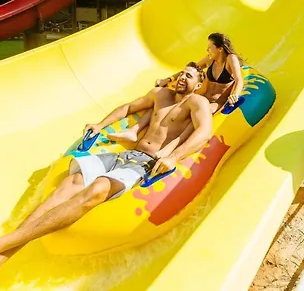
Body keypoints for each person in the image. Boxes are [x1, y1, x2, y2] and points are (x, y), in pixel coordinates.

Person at [0, 62, 212, 265]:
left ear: (198, 84)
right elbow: (128, 107)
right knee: (69, 184)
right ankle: (5, 253)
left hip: (146, 163)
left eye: (189, 76)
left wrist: (174, 157)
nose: (182, 77)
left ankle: (6, 242)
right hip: (126, 155)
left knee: (98, 188)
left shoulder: (196, 103)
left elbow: (204, 132)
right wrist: (101, 125)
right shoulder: (161, 94)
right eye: (181, 73)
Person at [108, 33, 244, 144]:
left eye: (210, 47)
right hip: (200, 95)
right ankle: (134, 130)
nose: (207, 50)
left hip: (215, 102)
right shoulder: (210, 59)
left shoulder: (230, 59)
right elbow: (191, 69)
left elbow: (239, 80)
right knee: (164, 101)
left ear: (220, 49)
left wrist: (235, 94)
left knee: (198, 115)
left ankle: (174, 144)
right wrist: (168, 80)